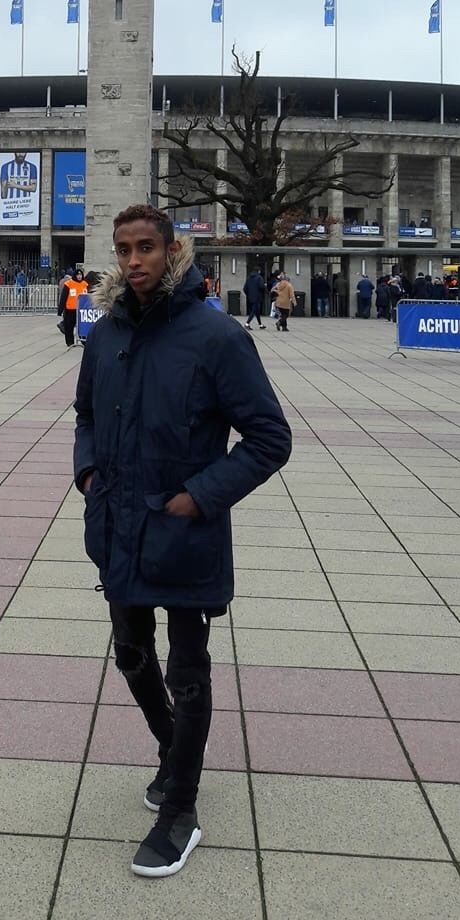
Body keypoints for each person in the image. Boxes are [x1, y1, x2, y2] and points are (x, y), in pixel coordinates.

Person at [74, 204, 291, 879]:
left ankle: (180, 811)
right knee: (131, 655)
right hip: (118, 525)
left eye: (146, 247)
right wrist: (87, 473)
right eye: (123, 249)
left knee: (186, 672)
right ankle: (173, 753)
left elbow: (269, 437)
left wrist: (200, 495)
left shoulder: (216, 337)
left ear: (172, 251)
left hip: (184, 530)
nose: (133, 260)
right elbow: (85, 416)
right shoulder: (106, 333)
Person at [58, 267, 87, 347]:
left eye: (80, 275)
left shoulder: (85, 284)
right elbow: (63, 297)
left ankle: (83, 341)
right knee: (69, 327)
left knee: (82, 327)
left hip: (81, 310)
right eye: (78, 275)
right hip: (70, 309)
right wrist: (60, 310)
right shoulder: (69, 284)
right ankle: (70, 342)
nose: (79, 276)